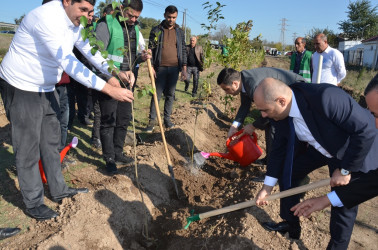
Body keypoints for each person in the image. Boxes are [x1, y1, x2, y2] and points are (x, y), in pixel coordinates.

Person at [0, 0, 134, 221]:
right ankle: (34, 203)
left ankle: (59, 189)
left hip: (45, 86)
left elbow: (90, 50)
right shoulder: (45, 18)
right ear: (66, 2)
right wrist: (109, 89)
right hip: (21, 84)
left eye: (91, 12)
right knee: (28, 147)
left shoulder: (76, 21)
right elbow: (70, 63)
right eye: (83, 10)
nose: (88, 17)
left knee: (51, 141)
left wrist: (113, 73)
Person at [253, 78, 377, 249]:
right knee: (290, 172)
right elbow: (278, 150)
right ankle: (291, 224)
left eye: (264, 110)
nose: (263, 116)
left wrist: (345, 169)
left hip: (352, 151)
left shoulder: (325, 98)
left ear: (281, 101)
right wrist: (267, 187)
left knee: (342, 207)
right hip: (323, 146)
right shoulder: (278, 113)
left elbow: (366, 129)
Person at [291, 73, 378, 217]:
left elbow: (366, 132)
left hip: (349, 154)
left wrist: (345, 170)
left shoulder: (327, 98)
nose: (375, 124)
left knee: (344, 215)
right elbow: (372, 182)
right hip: (333, 152)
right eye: (374, 114)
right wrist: (326, 200)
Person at [95, 0, 150, 174]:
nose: (134, 20)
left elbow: (131, 57)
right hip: (109, 80)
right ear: (121, 8)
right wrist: (111, 76)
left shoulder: (134, 28)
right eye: (131, 15)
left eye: (137, 17)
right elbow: (96, 55)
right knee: (108, 120)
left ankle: (118, 152)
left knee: (123, 118)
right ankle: (109, 158)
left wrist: (142, 57)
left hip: (128, 81)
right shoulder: (106, 24)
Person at [217, 67, 305, 164]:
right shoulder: (243, 81)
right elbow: (245, 105)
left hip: (296, 91)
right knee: (269, 124)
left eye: (226, 89)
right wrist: (234, 126)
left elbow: (270, 110)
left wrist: (253, 126)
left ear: (235, 83)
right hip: (281, 98)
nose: (226, 93)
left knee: (275, 127)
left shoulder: (254, 86)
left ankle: (275, 168)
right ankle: (270, 161)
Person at [146, 5, 187, 132]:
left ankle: (167, 120)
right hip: (160, 69)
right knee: (156, 95)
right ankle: (152, 121)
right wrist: (151, 66)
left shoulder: (180, 32)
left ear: (176, 17)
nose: (171, 20)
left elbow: (183, 50)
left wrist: (184, 69)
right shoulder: (156, 30)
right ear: (164, 15)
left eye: (174, 17)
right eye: (169, 17)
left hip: (175, 69)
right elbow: (150, 49)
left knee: (170, 95)